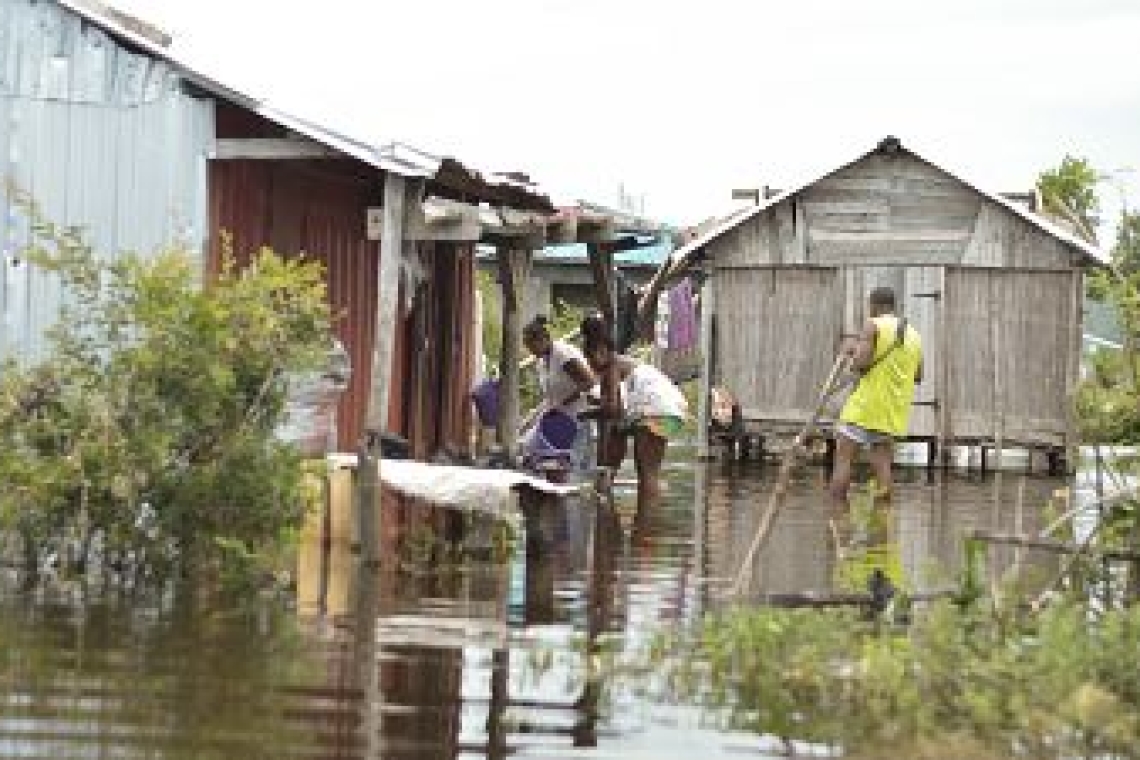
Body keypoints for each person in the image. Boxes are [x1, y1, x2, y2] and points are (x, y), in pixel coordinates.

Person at [829, 287, 923, 536]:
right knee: (883, 467)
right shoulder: (913, 334)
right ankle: (884, 523)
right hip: (892, 412)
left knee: (843, 460)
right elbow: (918, 376)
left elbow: (859, 365)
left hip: (865, 407)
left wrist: (851, 351)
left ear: (874, 305)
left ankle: (837, 518)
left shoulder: (873, 326)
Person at [580, 312, 689, 514]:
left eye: (589, 358)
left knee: (647, 473)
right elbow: (617, 415)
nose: (589, 366)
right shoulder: (619, 366)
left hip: (658, 410)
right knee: (647, 470)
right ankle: (642, 530)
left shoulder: (612, 366)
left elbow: (611, 409)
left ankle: (646, 531)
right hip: (667, 409)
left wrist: (583, 415)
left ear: (600, 352)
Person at [520, 315, 597, 468]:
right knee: (532, 450)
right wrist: (533, 416)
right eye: (527, 345)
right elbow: (550, 396)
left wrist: (563, 403)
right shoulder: (541, 362)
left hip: (576, 416)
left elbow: (589, 382)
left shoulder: (563, 354)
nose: (530, 349)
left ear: (543, 339)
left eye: (531, 344)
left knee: (571, 463)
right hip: (557, 417)